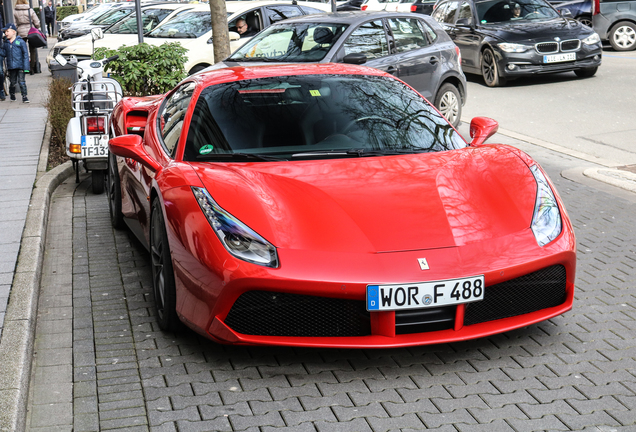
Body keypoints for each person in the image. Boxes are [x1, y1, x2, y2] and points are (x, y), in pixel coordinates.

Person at [0, 23, 30, 103]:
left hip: (20, 66)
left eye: (7, 31)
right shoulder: (6, 43)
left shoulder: (20, 42)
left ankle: (24, 96)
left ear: (13, 32)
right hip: (11, 67)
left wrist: (26, 67)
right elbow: (4, 54)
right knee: (12, 82)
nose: (6, 33)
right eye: (5, 32)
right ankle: (12, 95)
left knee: (22, 82)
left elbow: (25, 55)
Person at [13, 0, 40, 74]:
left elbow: (14, 24)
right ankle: (32, 68)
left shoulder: (15, 11)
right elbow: (36, 22)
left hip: (20, 32)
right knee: (33, 50)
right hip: (30, 31)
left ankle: (24, 68)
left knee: (22, 50)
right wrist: (37, 28)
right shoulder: (30, 10)